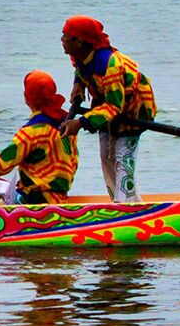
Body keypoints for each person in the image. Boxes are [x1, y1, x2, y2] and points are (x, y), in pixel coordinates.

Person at [60, 17, 156, 202]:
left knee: (123, 157)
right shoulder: (80, 55)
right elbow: (79, 68)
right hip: (104, 105)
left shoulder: (110, 66)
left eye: (66, 36)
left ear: (79, 42)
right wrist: (78, 84)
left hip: (133, 108)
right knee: (107, 156)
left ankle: (125, 205)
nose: (62, 40)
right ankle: (123, 201)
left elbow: (114, 106)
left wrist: (80, 123)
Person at [0, 72, 79, 202]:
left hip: (35, 199)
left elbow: (2, 164)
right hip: (60, 198)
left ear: (27, 98)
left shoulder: (32, 131)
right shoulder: (66, 124)